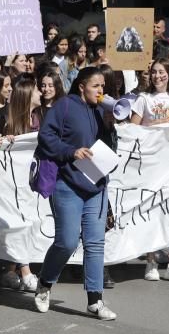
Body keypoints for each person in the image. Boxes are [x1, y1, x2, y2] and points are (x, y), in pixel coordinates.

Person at [33, 68, 116, 320]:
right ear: (81, 86)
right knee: (67, 241)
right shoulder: (64, 106)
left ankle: (95, 300)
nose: (101, 91)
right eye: (96, 86)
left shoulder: (102, 111)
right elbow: (45, 136)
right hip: (67, 183)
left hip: (96, 185)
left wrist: (111, 127)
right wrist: (71, 151)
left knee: (95, 243)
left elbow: (110, 148)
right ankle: (45, 283)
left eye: (103, 86)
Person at [130, 59, 169, 283]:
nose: (157, 76)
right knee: (152, 212)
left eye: (162, 72)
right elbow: (132, 131)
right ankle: (151, 261)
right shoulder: (143, 99)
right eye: (154, 72)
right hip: (152, 165)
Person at [0, 75, 42, 292]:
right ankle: (26, 272)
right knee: (20, 223)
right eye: (37, 90)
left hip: (32, 182)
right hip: (13, 184)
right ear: (27, 96)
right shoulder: (11, 122)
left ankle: (10, 269)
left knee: (29, 223)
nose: (41, 93)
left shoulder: (38, 119)